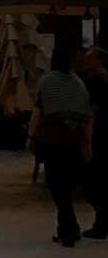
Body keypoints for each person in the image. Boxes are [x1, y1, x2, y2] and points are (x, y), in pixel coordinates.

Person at [27, 46, 92, 247]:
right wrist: (86, 143)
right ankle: (66, 228)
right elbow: (86, 116)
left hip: (52, 139)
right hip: (74, 140)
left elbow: (38, 112)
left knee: (57, 186)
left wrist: (30, 136)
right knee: (70, 184)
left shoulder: (47, 81)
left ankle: (68, 229)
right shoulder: (78, 84)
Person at [82, 47, 108, 239]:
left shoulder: (93, 83)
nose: (86, 61)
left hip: (99, 135)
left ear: (100, 60)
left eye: (90, 58)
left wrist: (87, 141)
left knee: (91, 181)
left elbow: (91, 113)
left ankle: (102, 220)